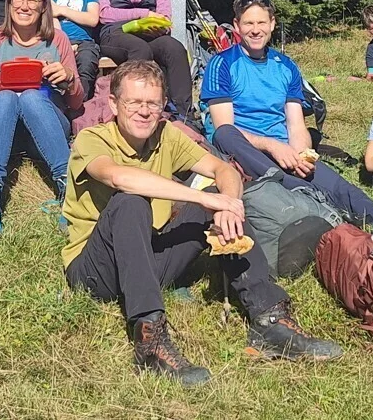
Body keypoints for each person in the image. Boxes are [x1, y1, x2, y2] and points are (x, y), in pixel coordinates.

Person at [63, 61, 341, 385]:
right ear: (113, 104)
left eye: (152, 103)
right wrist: (204, 199)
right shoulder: (92, 139)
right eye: (133, 103)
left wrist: (228, 204)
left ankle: (270, 320)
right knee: (130, 201)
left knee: (220, 199)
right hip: (95, 273)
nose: (144, 112)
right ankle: (150, 341)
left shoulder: (165, 135)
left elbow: (226, 171)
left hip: (146, 260)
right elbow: (118, 176)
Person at [204, 0, 373, 250]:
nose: (255, 29)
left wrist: (301, 155)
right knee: (226, 133)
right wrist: (274, 147)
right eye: (248, 23)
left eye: (261, 22)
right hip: (245, 152)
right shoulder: (223, 64)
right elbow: (223, 126)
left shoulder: (285, 66)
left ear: (272, 24)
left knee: (347, 191)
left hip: (285, 151)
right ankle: (308, 196)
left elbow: (296, 124)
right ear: (237, 26)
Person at [0, 0, 83, 243]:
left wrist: (67, 78)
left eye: (33, 0)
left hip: (48, 123)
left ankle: (70, 192)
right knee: (8, 98)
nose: (24, 6)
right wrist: (5, 80)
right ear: (8, 4)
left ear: (44, 6)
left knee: (32, 97)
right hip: (5, 126)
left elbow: (77, 102)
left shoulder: (58, 40)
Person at [93, 0, 191, 118]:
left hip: (149, 33)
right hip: (115, 32)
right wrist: (143, 14)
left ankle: (183, 113)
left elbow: (165, 15)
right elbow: (104, 13)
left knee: (175, 48)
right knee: (140, 49)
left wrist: (158, 26)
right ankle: (136, 108)